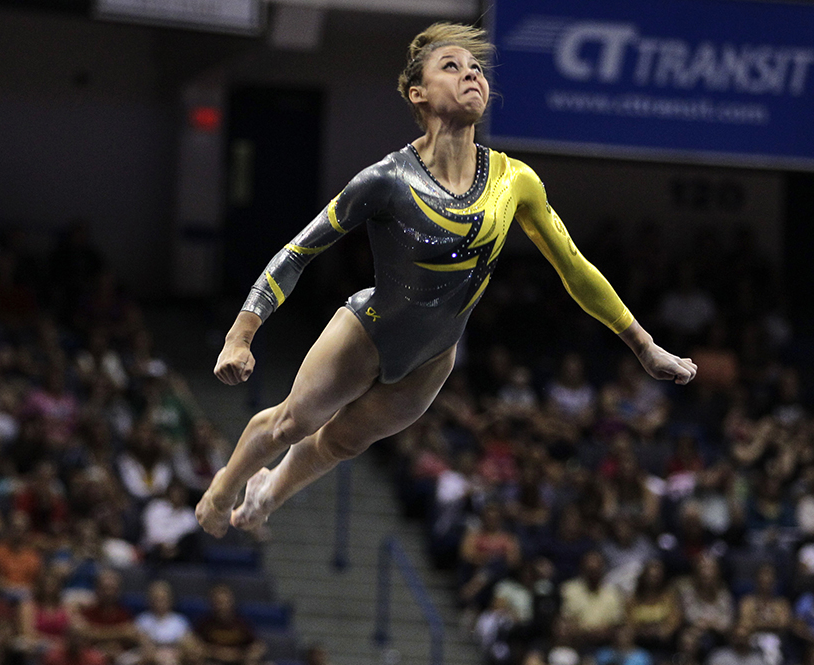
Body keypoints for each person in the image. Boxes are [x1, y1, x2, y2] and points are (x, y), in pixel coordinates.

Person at [195, 21, 696, 538]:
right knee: (292, 424)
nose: (471, 74)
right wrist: (241, 336)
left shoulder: (514, 180)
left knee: (343, 443)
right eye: (451, 67)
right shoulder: (387, 180)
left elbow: (575, 268)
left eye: (476, 68)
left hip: (432, 357)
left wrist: (644, 346)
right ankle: (224, 488)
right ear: (419, 93)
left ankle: (267, 495)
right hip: (367, 332)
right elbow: (299, 251)